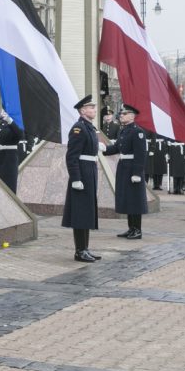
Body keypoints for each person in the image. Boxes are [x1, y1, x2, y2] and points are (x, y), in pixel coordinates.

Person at [61, 95, 102, 261]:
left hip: (90, 171)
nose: (94, 110)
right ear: (83, 110)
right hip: (82, 174)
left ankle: (85, 248)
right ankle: (79, 250)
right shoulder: (79, 128)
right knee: (80, 212)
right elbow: (71, 156)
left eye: (93, 107)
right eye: (91, 107)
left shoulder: (89, 128)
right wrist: (76, 178)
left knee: (87, 211)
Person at [103, 104, 148, 239]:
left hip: (132, 168)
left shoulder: (137, 131)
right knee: (128, 199)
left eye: (124, 114)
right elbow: (117, 148)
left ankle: (137, 230)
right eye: (121, 114)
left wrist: (137, 173)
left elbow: (141, 154)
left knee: (135, 199)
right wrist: (103, 149)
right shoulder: (124, 131)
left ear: (132, 116)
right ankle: (131, 228)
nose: (121, 116)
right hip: (123, 167)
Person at [0, 109, 24, 193]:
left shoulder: (15, 123)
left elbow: (20, 134)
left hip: (9, 160)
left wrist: (10, 121)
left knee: (9, 186)